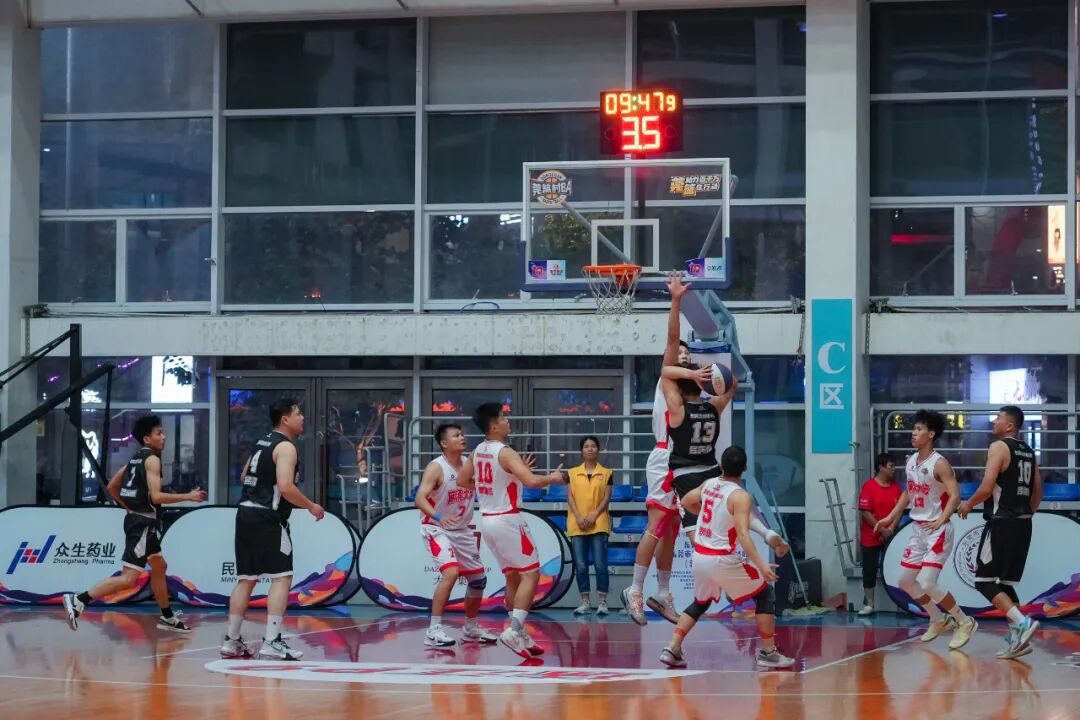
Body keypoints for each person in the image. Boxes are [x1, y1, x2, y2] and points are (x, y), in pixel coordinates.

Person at [63, 415, 205, 632]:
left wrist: (128, 507)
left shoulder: (135, 460)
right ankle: (79, 599)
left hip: (138, 520)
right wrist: (189, 496)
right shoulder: (152, 460)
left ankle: (167, 616)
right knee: (128, 579)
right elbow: (156, 496)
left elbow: (112, 486)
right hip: (142, 525)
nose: (164, 437)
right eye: (159, 433)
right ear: (147, 439)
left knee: (159, 566)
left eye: (163, 433)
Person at [659, 446, 794, 669]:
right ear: (745, 468)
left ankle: (672, 647)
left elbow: (686, 502)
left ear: (721, 466)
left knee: (700, 603)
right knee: (765, 595)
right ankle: (769, 652)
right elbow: (743, 534)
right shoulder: (740, 496)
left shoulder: (709, 483)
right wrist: (761, 565)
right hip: (720, 559)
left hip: (700, 557)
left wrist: (706, 512)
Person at [457, 402, 565, 659]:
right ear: (494, 425)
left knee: (512, 577)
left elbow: (462, 480)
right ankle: (514, 629)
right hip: (508, 519)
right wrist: (553, 478)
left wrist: (494, 484)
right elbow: (532, 481)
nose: (508, 421)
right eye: (503, 418)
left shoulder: (477, 451)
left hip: (488, 519)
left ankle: (519, 631)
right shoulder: (505, 452)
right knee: (531, 574)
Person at [220, 398, 325, 660]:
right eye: (298, 414)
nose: (302, 418)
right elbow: (286, 487)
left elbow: (244, 476)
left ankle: (231, 640)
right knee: (282, 577)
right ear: (285, 419)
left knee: (246, 579)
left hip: (245, 513)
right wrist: (311, 506)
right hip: (267, 516)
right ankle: (272, 640)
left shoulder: (262, 442)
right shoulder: (286, 447)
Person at [875, 409, 977, 650]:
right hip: (919, 529)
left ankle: (965, 622)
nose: (914, 433)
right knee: (905, 581)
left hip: (938, 530)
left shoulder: (940, 464)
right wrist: (890, 517)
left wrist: (942, 519)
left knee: (928, 582)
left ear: (930, 434)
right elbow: (908, 493)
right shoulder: (911, 461)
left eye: (919, 429)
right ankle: (937, 618)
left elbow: (955, 496)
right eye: (914, 428)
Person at [625, 272, 692, 626]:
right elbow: (672, 338)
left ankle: (663, 593)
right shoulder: (667, 380)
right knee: (657, 523)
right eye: (678, 354)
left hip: (684, 461)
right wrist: (676, 300)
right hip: (664, 457)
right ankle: (635, 589)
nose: (682, 356)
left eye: (686, 355)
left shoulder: (690, 392)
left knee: (673, 528)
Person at [958, 405, 1042, 660]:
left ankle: (1023, 623)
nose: (994, 421)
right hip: (1023, 523)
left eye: (998, 418)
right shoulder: (1029, 451)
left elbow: (986, 487)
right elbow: (1038, 490)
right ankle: (1017, 640)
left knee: (983, 581)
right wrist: (1027, 513)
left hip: (1002, 521)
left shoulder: (998, 447)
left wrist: (968, 504)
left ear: (1010, 425)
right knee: (1004, 583)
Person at [414, 422, 498, 648]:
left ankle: (470, 628)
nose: (462, 437)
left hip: (462, 530)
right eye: (456, 435)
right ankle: (433, 630)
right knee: (451, 573)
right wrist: (439, 516)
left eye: (462, 434)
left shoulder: (470, 465)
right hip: (436, 528)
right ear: (444, 443)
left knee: (478, 580)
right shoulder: (436, 467)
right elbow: (419, 499)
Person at [660, 355, 738, 544]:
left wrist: (693, 374)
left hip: (686, 476)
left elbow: (665, 373)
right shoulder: (713, 407)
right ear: (702, 387)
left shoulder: (678, 411)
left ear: (679, 389)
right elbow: (733, 383)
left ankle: (708, 561)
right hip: (713, 473)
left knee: (698, 537)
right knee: (717, 529)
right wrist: (711, 374)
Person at [566, 435, 613, 616]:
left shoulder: (607, 472)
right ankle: (585, 602)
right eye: (586, 446)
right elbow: (570, 497)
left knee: (600, 565)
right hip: (577, 524)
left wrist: (594, 515)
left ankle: (602, 602)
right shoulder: (572, 473)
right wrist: (579, 517)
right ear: (581, 451)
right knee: (581, 566)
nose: (590, 449)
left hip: (599, 523)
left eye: (593, 446)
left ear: (598, 450)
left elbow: (606, 497)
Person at [856, 452, 902, 615]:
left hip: (891, 536)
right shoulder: (869, 487)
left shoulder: (896, 488)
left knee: (896, 568)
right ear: (881, 467)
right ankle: (869, 604)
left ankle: (900, 602)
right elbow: (865, 512)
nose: (894, 469)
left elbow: (899, 511)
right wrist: (881, 529)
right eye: (891, 466)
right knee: (869, 570)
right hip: (871, 537)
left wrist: (891, 529)